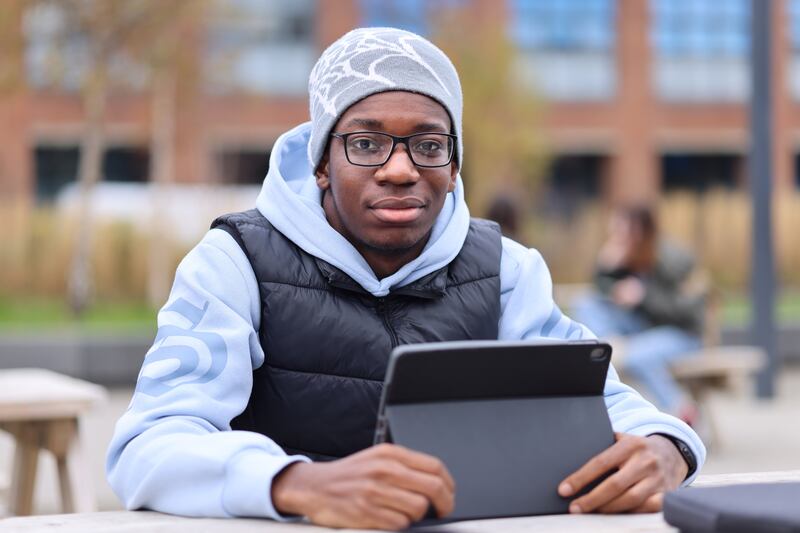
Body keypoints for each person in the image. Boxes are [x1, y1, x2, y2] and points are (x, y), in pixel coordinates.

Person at [106, 28, 705, 530]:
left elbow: (603, 402)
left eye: (427, 144)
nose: (399, 169)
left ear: (453, 163)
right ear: (321, 162)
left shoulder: (506, 270)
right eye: (366, 142)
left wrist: (667, 448)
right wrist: (296, 483)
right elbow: (149, 444)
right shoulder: (234, 262)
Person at [573, 205, 704, 425]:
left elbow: (689, 310)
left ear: (638, 230)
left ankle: (683, 410)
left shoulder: (671, 257)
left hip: (680, 333)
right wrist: (606, 267)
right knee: (586, 303)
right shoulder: (627, 255)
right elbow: (602, 291)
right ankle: (610, 346)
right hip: (643, 328)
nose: (616, 238)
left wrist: (644, 297)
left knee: (636, 357)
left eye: (621, 232)